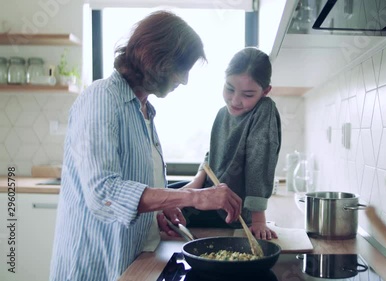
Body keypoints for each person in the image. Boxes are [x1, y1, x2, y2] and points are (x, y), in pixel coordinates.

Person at [50, 11, 242, 281]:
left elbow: (135, 184)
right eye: (182, 68)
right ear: (157, 60)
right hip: (95, 267)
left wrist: (159, 209)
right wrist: (194, 197)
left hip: (131, 263)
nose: (184, 80)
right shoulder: (102, 98)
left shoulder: (144, 111)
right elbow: (104, 192)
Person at [178, 47, 281, 240]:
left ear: (265, 91)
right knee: (163, 200)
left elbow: (260, 160)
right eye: (229, 89)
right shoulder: (222, 113)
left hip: (230, 211)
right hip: (208, 194)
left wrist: (258, 219)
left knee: (159, 211)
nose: (235, 100)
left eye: (248, 95)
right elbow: (212, 154)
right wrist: (194, 184)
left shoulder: (264, 110)